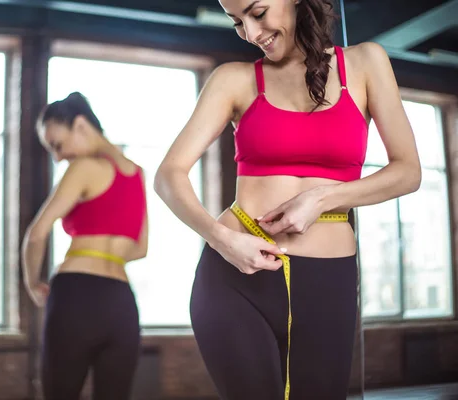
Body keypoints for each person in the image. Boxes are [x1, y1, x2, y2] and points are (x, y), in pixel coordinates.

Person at [154, 0, 421, 399]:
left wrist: (322, 199)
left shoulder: (366, 63)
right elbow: (168, 175)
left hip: (327, 280)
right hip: (234, 276)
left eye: (257, 13)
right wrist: (222, 240)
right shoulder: (234, 79)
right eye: (237, 22)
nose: (250, 32)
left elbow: (408, 172)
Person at [21, 92, 148, 400]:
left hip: (76, 295)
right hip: (121, 303)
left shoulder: (84, 168)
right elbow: (140, 249)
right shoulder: (137, 174)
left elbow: (37, 234)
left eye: (57, 145)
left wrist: (32, 283)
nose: (58, 157)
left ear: (80, 125)